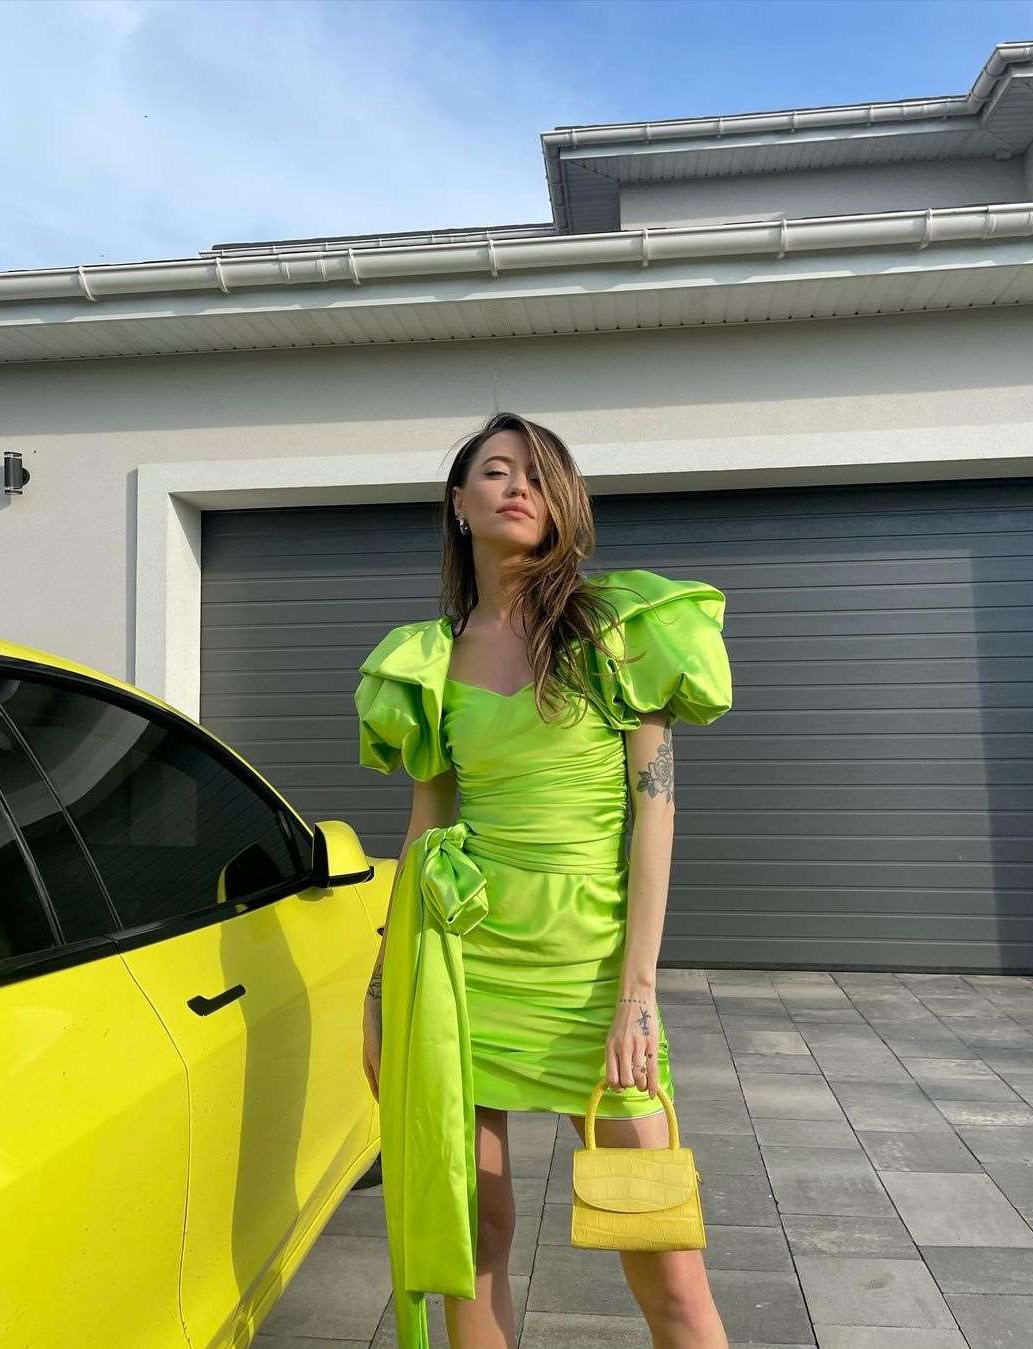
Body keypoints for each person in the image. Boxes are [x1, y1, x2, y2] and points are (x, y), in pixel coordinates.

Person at [355, 411, 733, 1349]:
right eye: (496, 470)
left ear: (561, 502)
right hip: (462, 969)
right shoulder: (429, 659)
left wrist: (638, 992)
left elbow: (656, 814)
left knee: (665, 1256)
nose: (518, 485)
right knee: (473, 1235)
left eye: (538, 473)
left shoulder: (616, 630)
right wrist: (380, 988)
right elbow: (424, 826)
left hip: (592, 973)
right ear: (459, 502)